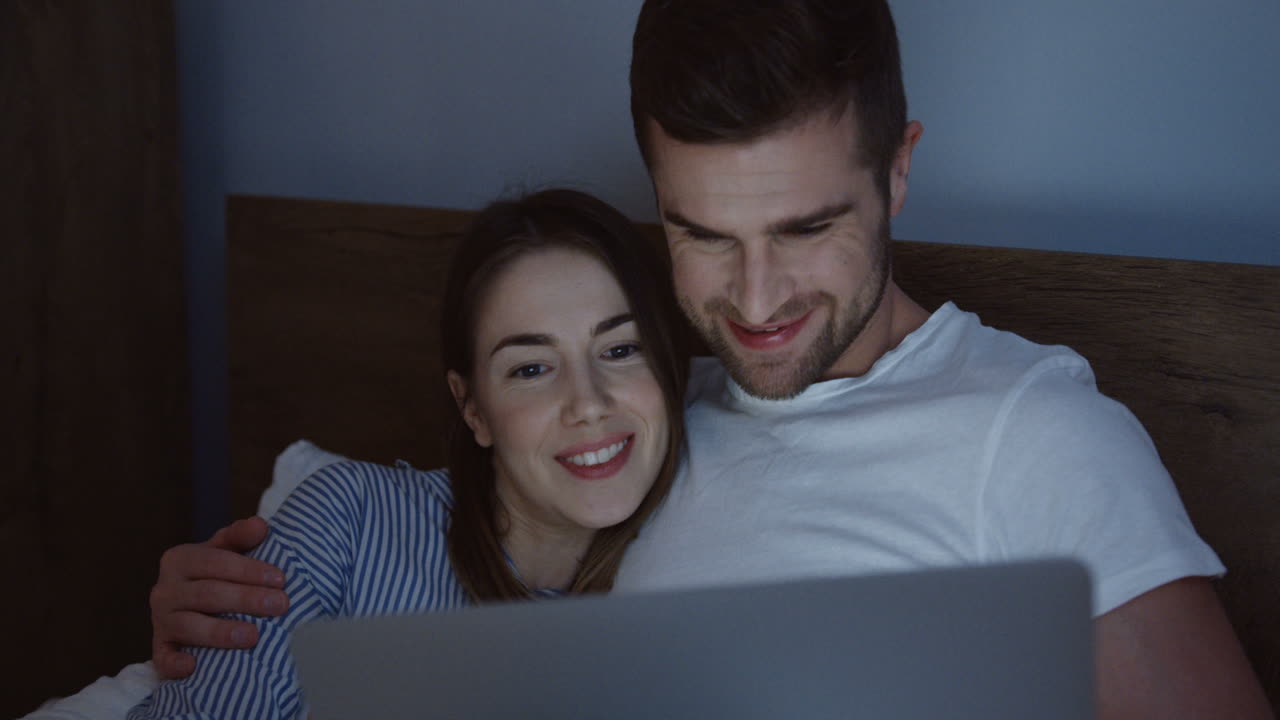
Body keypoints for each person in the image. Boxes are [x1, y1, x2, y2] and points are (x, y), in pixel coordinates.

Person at [53, 2, 1274, 719]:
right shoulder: (650, 421)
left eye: (804, 230)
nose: (752, 304)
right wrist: (230, 601)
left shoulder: (1032, 433)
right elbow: (435, 543)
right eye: (701, 233)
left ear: (897, 169)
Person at [101, 189, 685, 718]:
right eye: (531, 368)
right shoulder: (350, 523)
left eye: (621, 349)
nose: (587, 403)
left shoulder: (709, 567)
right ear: (472, 408)